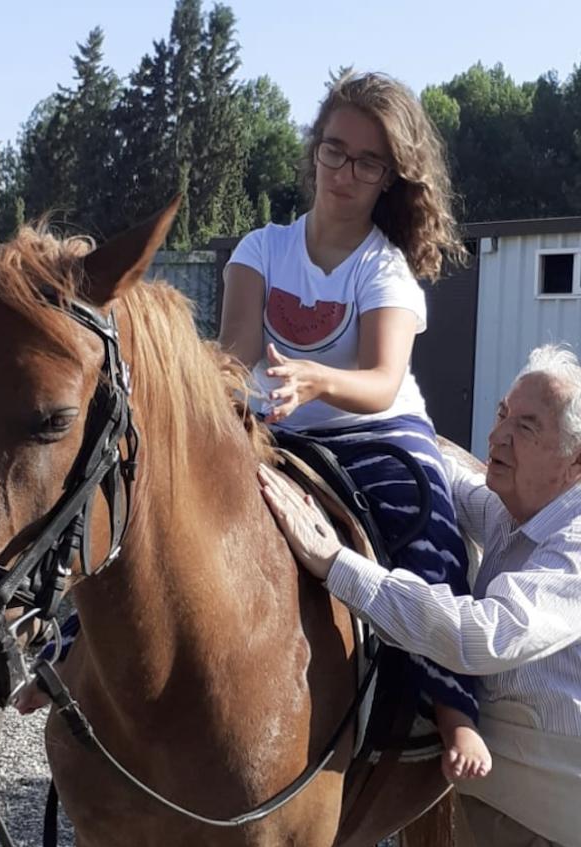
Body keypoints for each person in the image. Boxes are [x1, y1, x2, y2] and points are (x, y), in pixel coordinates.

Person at [258, 345, 581, 847]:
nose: (499, 435)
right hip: (526, 818)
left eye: (526, 426)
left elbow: (480, 636)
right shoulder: (523, 509)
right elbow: (450, 481)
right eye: (503, 413)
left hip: (567, 841)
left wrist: (335, 563)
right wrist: (388, 421)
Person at [218, 70, 489, 783]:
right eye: (335, 151)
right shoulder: (261, 249)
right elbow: (234, 354)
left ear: (390, 180)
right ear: (314, 151)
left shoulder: (386, 268)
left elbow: (381, 381)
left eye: (367, 162)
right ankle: (67, 644)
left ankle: (454, 705)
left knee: (426, 524)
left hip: (377, 432)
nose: (345, 171)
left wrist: (313, 378)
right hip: (276, 429)